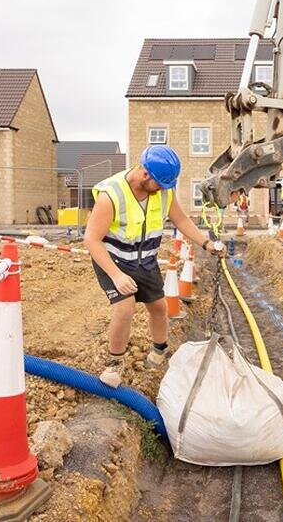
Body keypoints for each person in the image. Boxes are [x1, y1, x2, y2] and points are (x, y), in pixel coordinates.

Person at [84, 145, 223, 387]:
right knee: (125, 307)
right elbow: (91, 240)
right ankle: (115, 364)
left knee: (159, 306)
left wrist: (205, 243)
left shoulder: (164, 192)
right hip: (113, 260)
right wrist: (116, 276)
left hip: (145, 260)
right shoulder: (111, 195)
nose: (163, 190)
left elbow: (180, 219)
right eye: (159, 184)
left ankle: (160, 352)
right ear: (145, 174)